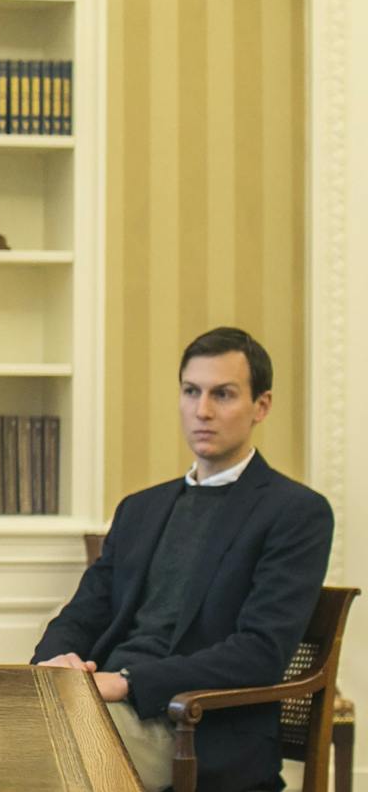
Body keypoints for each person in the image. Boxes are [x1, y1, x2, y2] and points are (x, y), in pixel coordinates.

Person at [33, 327, 334, 792]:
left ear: (262, 406)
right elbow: (82, 613)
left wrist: (128, 682)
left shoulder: (295, 513)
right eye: (191, 391)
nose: (203, 410)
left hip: (194, 726)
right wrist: (54, 666)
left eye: (224, 394)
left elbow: (260, 652)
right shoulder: (140, 509)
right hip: (103, 704)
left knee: (37, 760)